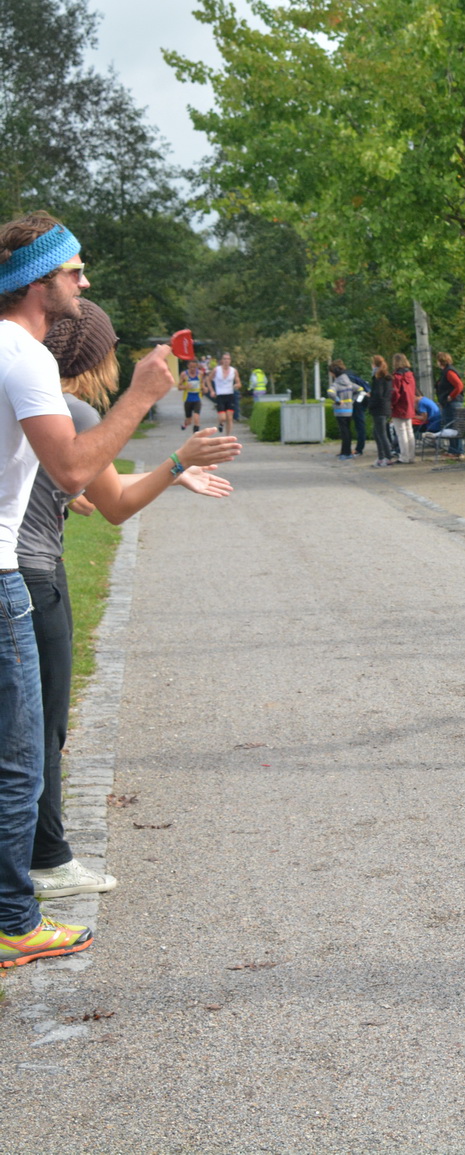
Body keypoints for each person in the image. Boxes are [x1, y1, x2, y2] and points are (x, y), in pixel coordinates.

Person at [0, 212, 176, 966]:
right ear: (39, 280)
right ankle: (14, 919)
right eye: (74, 270)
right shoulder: (25, 353)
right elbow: (74, 472)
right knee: (21, 760)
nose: (85, 282)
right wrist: (139, 396)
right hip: (8, 575)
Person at [24, 301, 239, 899]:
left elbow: (75, 488)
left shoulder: (27, 399)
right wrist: (178, 461)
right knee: (42, 730)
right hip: (33, 576)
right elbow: (115, 503)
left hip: (23, 568)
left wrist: (79, 494)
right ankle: (48, 860)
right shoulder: (71, 409)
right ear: (95, 355)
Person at [329, 359, 364, 459]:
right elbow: (360, 390)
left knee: (344, 432)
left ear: (334, 373)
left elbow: (330, 392)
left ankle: (345, 453)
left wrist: (338, 400)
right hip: (349, 409)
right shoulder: (348, 382)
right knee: (347, 431)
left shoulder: (336, 384)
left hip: (340, 411)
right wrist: (353, 400)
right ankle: (346, 451)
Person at [434, 352, 465, 457]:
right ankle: (453, 450)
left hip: (453, 403)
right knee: (451, 426)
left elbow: (459, 385)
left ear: (440, 361)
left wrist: (451, 396)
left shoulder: (449, 372)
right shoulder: (445, 372)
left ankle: (457, 450)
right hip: (450, 403)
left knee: (454, 426)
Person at [388, 353, 417, 464]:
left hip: (399, 406)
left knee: (401, 433)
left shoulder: (396, 377)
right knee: (409, 432)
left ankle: (404, 457)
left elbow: (395, 393)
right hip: (409, 405)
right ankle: (411, 456)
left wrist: (391, 404)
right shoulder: (410, 375)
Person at [367, 354, 394, 466]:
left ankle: (386, 457)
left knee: (381, 434)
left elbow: (378, 394)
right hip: (385, 407)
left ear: (374, 365)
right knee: (378, 433)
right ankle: (382, 456)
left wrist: (370, 398)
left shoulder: (378, 379)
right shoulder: (387, 377)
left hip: (379, 408)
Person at [209, 351, 239, 435]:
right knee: (223, 418)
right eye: (224, 359)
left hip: (230, 395)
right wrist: (211, 390)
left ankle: (228, 436)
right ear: (222, 360)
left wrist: (237, 385)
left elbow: (239, 382)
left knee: (229, 417)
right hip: (220, 396)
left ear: (230, 360)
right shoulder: (216, 370)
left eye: (228, 359)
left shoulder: (234, 371)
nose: (226, 361)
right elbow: (208, 379)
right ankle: (221, 423)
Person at [179, 358, 203, 433]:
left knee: (196, 417)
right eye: (191, 367)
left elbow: (202, 384)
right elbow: (179, 387)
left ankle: (195, 435)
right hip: (188, 399)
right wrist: (185, 387)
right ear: (188, 366)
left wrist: (204, 388)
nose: (193, 369)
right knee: (189, 420)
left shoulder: (200, 374)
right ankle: (185, 424)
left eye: (194, 367)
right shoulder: (184, 374)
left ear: (197, 366)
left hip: (197, 399)